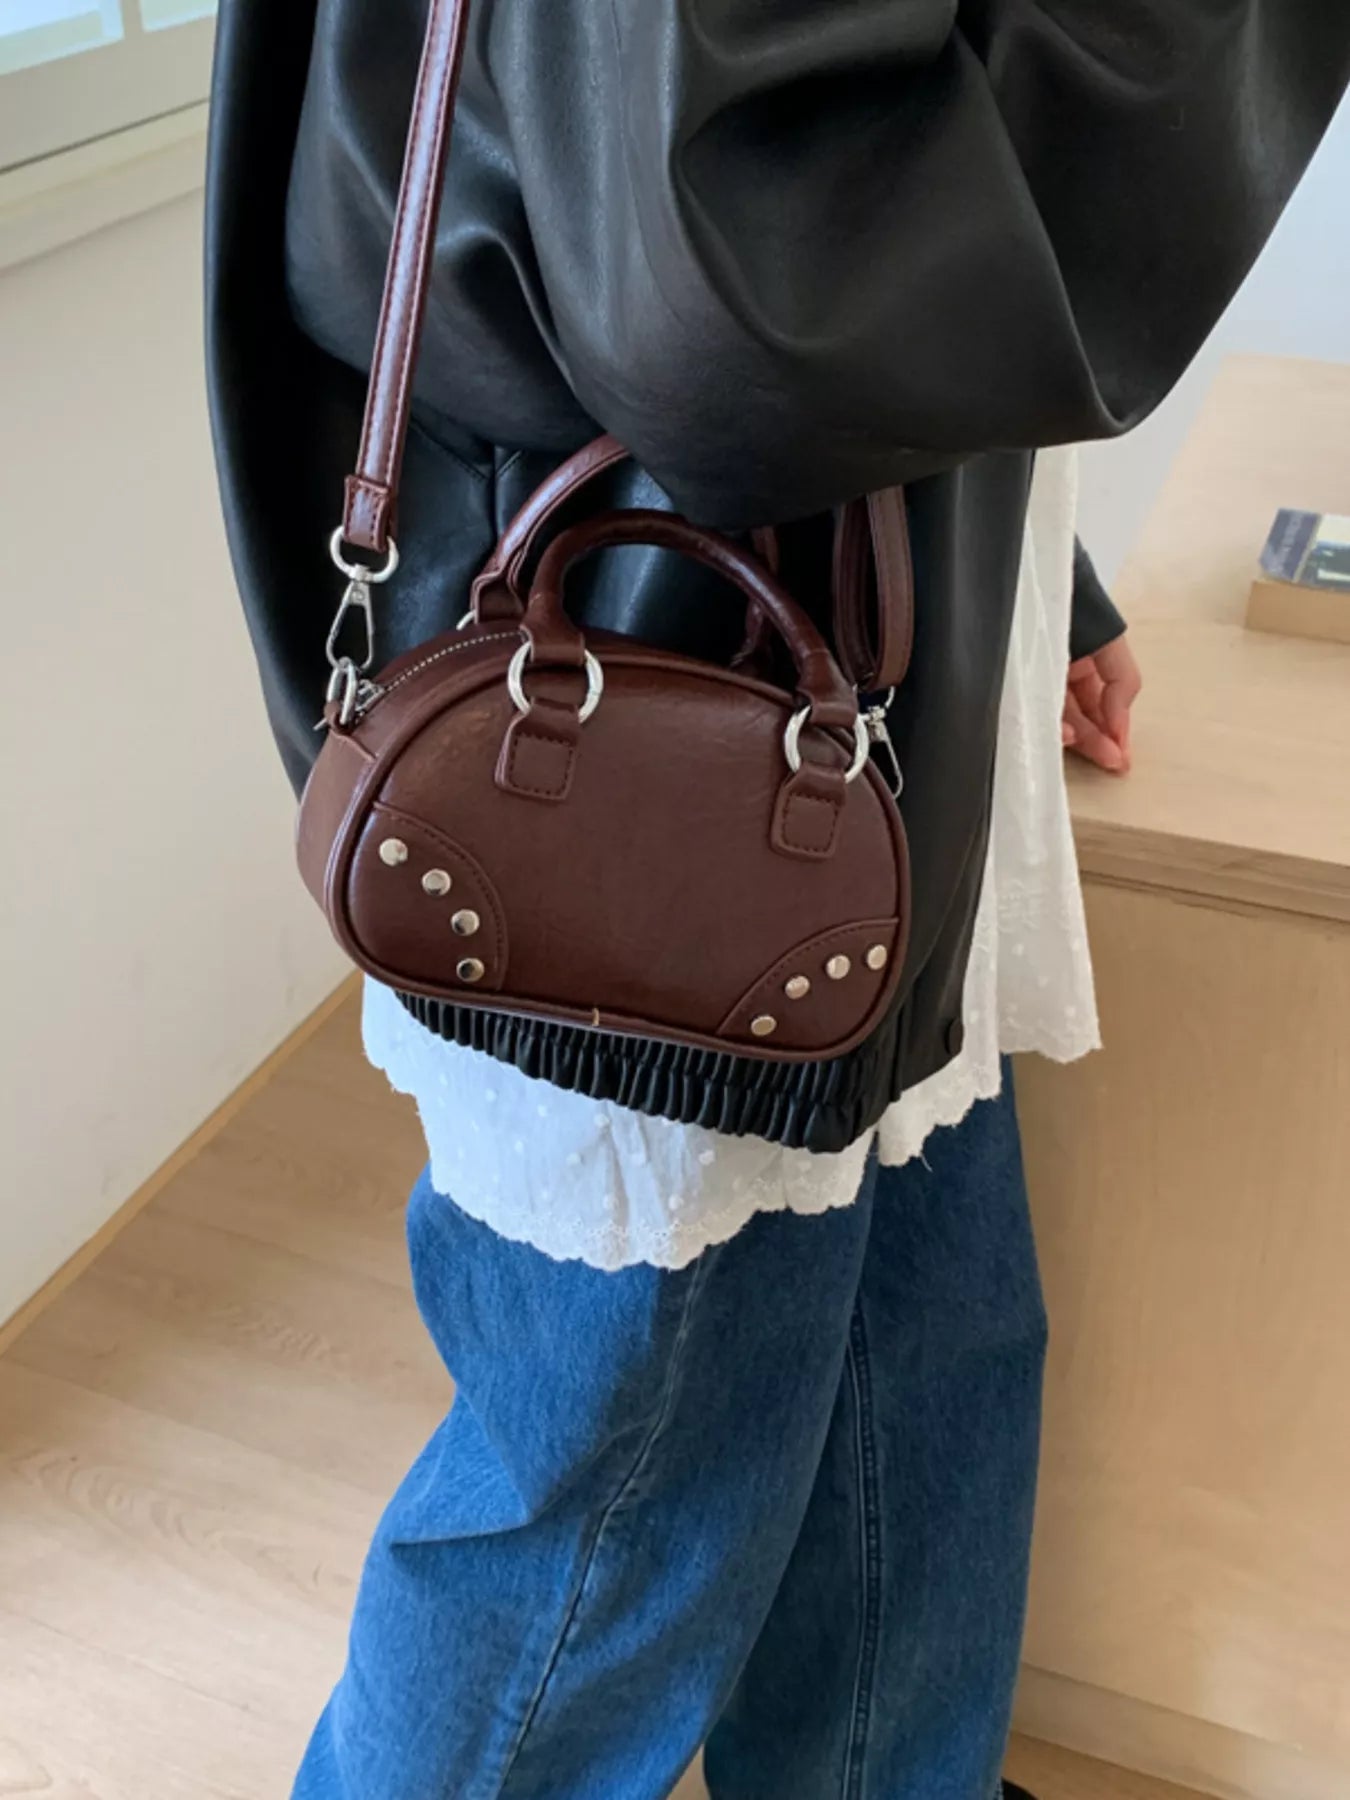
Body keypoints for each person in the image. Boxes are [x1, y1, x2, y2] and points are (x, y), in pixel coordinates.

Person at [204, 3, 1350, 1794]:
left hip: (826, 678)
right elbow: (743, 276)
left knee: (918, 1374)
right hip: (674, 749)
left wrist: (1028, 575)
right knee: (609, 1506)